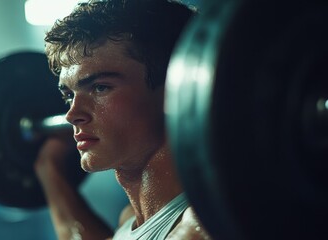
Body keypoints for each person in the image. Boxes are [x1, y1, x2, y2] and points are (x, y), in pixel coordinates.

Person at [34, 0, 212, 239]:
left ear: (174, 91)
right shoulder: (130, 221)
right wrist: (49, 167)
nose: (72, 114)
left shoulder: (201, 227)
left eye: (100, 88)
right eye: (69, 95)